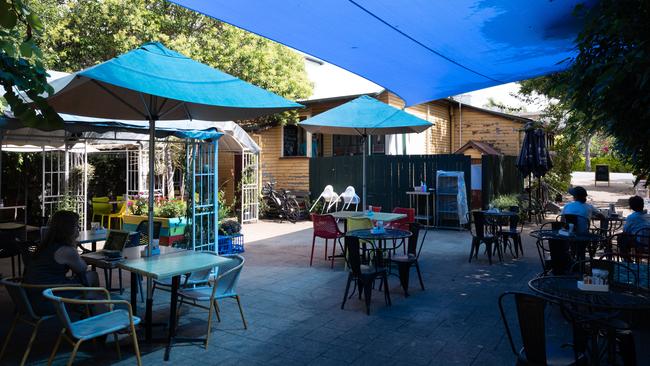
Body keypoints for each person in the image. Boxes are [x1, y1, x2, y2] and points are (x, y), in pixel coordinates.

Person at [23, 210, 98, 287]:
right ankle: (96, 298)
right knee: (92, 276)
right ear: (69, 229)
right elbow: (82, 268)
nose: (78, 228)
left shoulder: (45, 245)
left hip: (31, 291)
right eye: (76, 225)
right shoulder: (66, 250)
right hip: (49, 293)